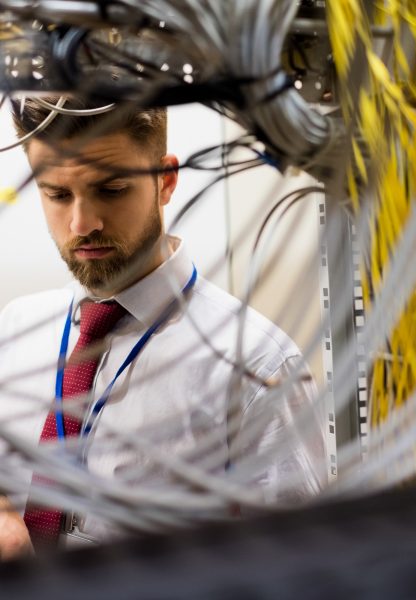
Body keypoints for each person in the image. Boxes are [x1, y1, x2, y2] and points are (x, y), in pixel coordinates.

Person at [0, 97, 327, 556]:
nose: (82, 223)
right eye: (57, 194)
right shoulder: (17, 327)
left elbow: (297, 571)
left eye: (112, 190)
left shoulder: (255, 366)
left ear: (166, 180)